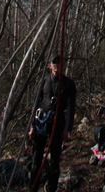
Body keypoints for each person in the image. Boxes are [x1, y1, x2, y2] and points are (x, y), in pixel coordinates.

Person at [29, 54, 76, 192]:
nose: (57, 65)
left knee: (55, 160)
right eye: (54, 63)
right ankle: (33, 187)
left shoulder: (68, 84)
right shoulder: (44, 82)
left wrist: (67, 129)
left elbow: (71, 107)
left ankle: (51, 188)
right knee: (36, 158)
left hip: (58, 123)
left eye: (59, 63)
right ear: (50, 65)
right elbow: (36, 104)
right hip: (42, 123)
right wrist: (32, 126)